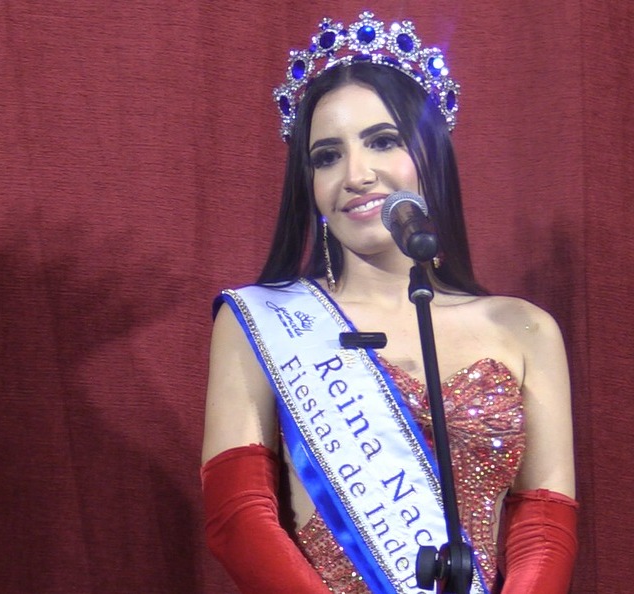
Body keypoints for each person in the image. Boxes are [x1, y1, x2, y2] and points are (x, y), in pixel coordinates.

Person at [201, 11, 578, 594]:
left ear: (431, 155)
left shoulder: (524, 329)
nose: (356, 174)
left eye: (383, 141)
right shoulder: (264, 320)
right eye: (326, 155)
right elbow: (237, 518)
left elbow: (544, 525)